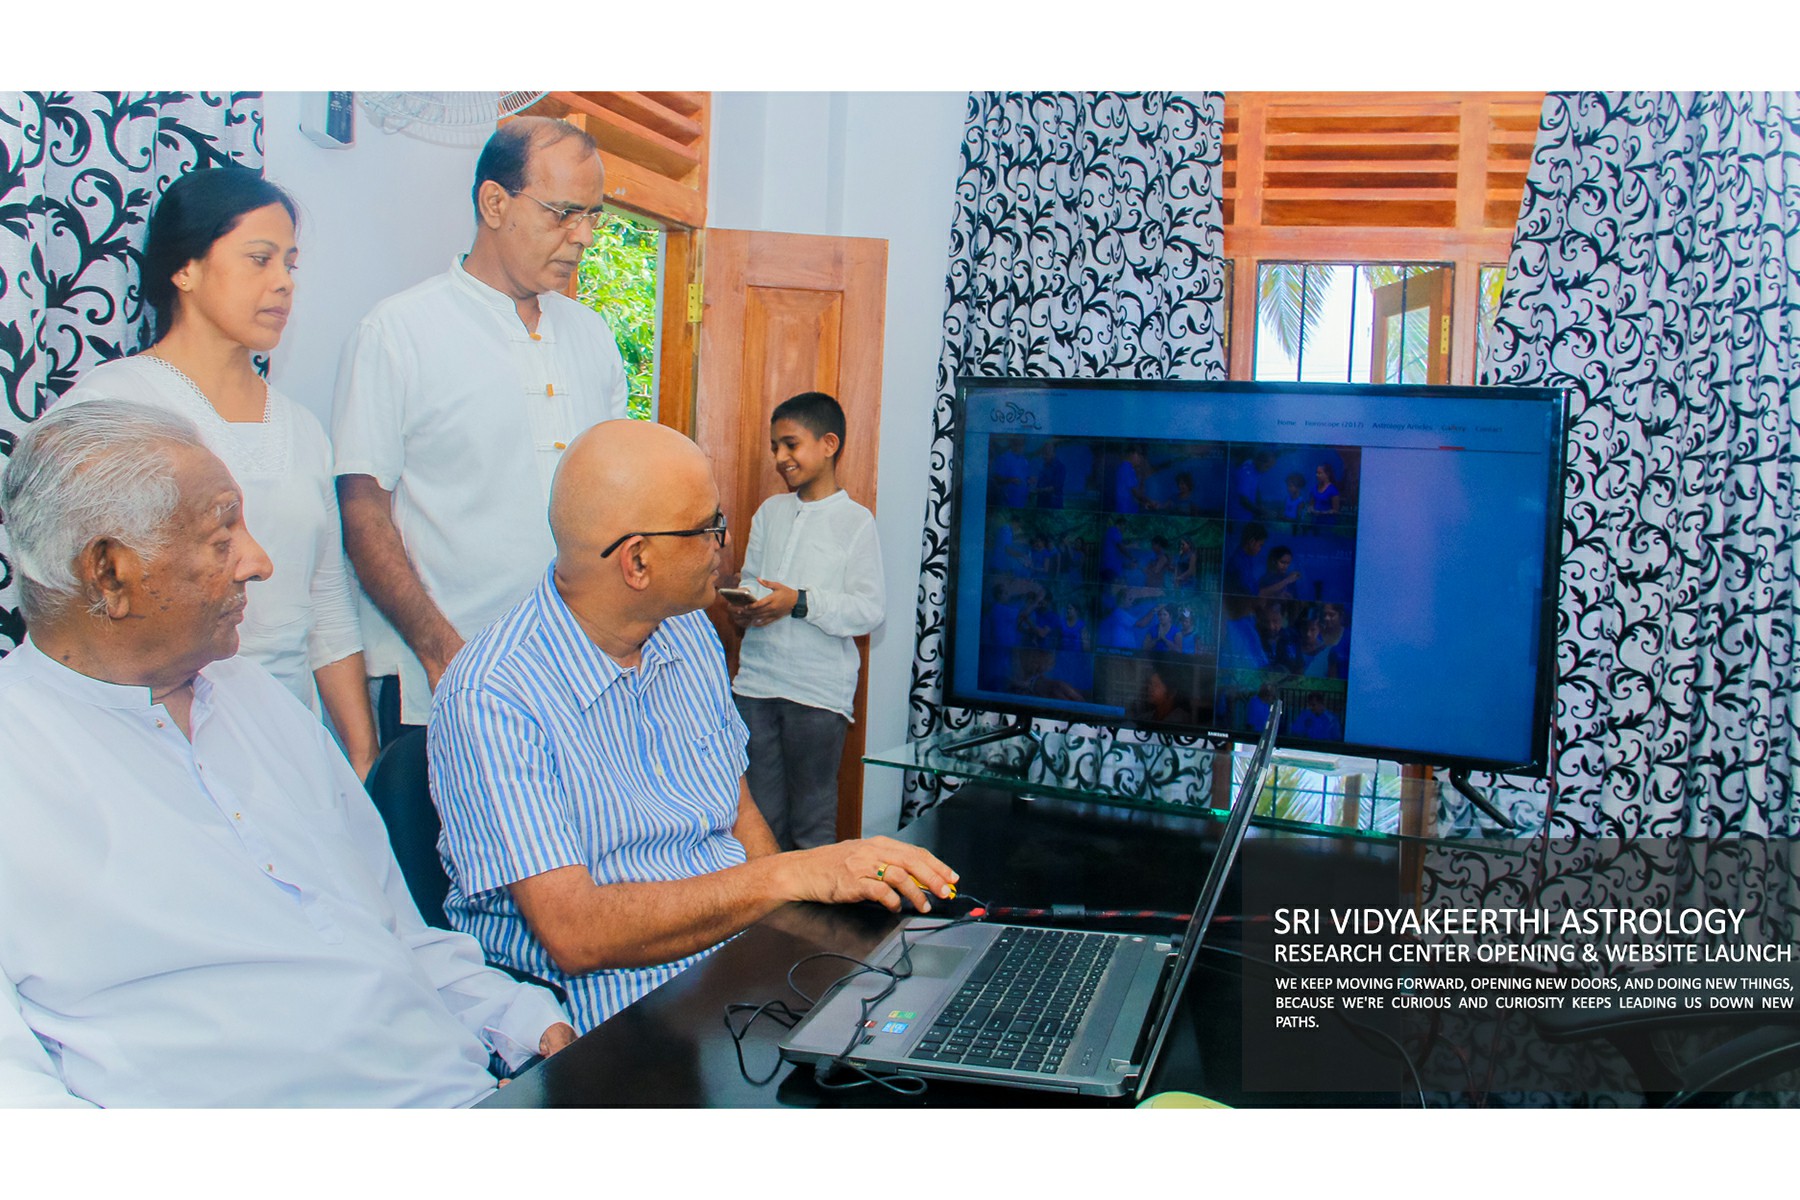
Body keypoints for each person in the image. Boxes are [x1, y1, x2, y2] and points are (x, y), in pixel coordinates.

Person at [0, 401, 573, 1107]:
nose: (259, 562)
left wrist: (524, 1021)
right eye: (222, 537)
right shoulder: (18, 760)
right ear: (110, 574)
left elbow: (398, 932)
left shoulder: (257, 700)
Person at [429, 420, 957, 1032]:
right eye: (708, 528)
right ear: (638, 561)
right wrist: (788, 876)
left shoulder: (687, 631)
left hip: (733, 969)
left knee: (923, 1006)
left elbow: (739, 814)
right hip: (617, 1017)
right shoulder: (492, 695)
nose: (721, 545)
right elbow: (576, 933)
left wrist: (798, 946)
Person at [62, 167, 379, 778]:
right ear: (186, 269)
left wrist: (360, 757)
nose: (283, 282)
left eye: (290, 264)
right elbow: (75, 603)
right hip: (157, 744)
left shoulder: (303, 428)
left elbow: (326, 605)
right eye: (260, 259)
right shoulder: (113, 406)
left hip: (288, 741)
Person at [333, 117, 629, 739]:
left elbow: (616, 503)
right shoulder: (399, 332)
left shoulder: (592, 335)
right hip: (448, 680)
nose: (582, 237)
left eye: (592, 217)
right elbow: (363, 514)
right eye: (563, 214)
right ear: (495, 203)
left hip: (581, 680)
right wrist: (443, 653)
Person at [727, 392, 884, 851]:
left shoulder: (856, 522)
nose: (780, 457)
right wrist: (746, 606)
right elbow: (753, 580)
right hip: (754, 688)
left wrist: (799, 602)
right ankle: (764, 902)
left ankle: (815, 903)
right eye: (775, 446)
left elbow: (869, 609)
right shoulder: (769, 512)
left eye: (790, 444)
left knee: (811, 826)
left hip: (817, 696)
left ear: (829, 444)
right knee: (758, 823)